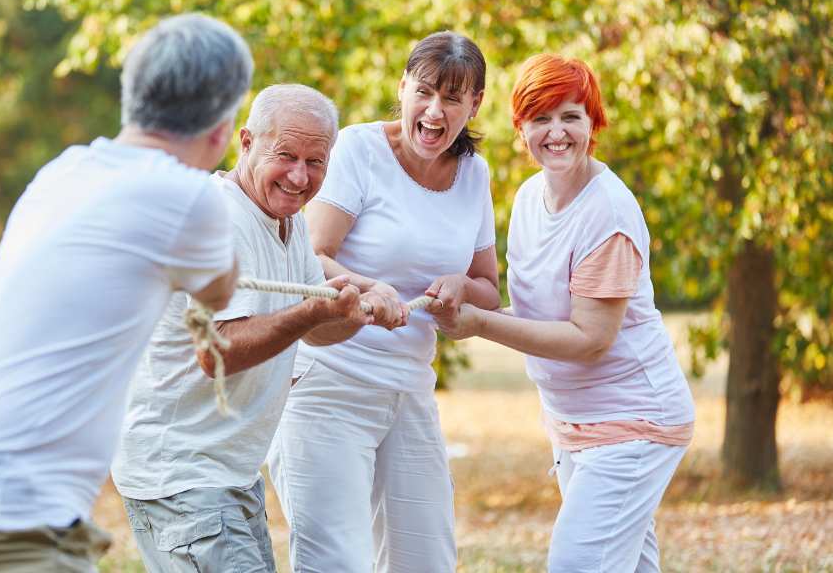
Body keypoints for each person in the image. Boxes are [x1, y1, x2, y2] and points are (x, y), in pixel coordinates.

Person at [0, 13, 253, 572]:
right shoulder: (188, 197)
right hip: (10, 512)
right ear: (222, 127)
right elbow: (220, 291)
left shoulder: (64, 171)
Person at [431, 53, 696, 573]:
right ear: (520, 129)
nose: (556, 133)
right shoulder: (531, 198)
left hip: (634, 423)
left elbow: (590, 338)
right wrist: (466, 293)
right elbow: (536, 312)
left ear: (592, 124)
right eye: (541, 119)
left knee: (578, 563)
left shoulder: (607, 214)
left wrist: (481, 325)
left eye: (570, 117)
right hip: (575, 423)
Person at [111, 84, 373, 573]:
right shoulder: (219, 218)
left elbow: (315, 331)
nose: (300, 176)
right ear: (246, 142)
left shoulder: (287, 222)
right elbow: (218, 351)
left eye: (316, 162)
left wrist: (353, 316)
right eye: (286, 155)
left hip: (227, 471)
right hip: (183, 475)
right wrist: (316, 313)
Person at [266, 32, 500, 572]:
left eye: (452, 98)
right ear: (403, 87)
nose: (435, 112)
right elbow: (310, 255)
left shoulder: (475, 175)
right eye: (424, 93)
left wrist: (460, 288)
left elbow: (488, 288)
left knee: (426, 562)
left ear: (475, 104)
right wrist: (367, 287)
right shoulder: (359, 149)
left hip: (409, 393)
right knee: (337, 562)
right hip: (328, 384)